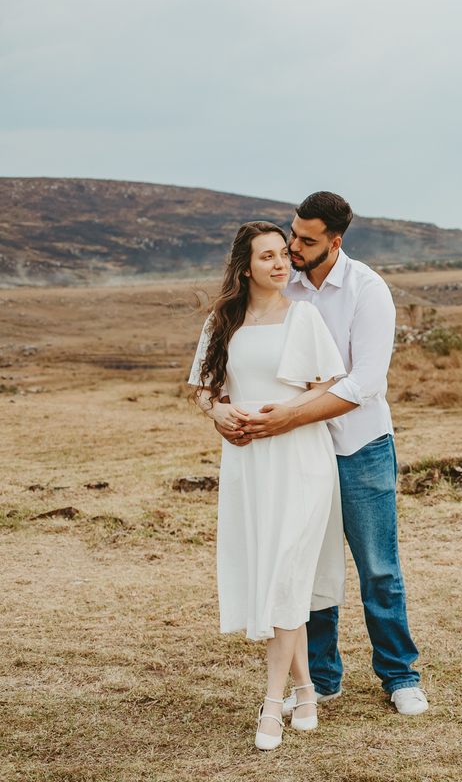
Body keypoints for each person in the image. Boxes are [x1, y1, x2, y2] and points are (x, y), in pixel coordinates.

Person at [215, 192, 428, 716]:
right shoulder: (279, 286)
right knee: (304, 567)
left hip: (358, 447)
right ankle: (323, 680)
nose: (293, 248)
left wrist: (289, 415)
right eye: (292, 235)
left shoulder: (366, 290)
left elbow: (366, 382)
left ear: (336, 241)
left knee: (377, 567)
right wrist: (224, 411)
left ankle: (400, 677)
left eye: (306, 241)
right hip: (292, 454)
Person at [189, 221, 348, 751]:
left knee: (287, 569)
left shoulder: (304, 316)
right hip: (249, 462)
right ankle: (305, 688)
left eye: (284, 254)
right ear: (244, 267)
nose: (281, 264)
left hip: (300, 456)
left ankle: (272, 704)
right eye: (267, 257)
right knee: (282, 578)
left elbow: (329, 383)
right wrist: (222, 414)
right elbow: (205, 390)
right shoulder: (223, 321)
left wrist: (290, 412)